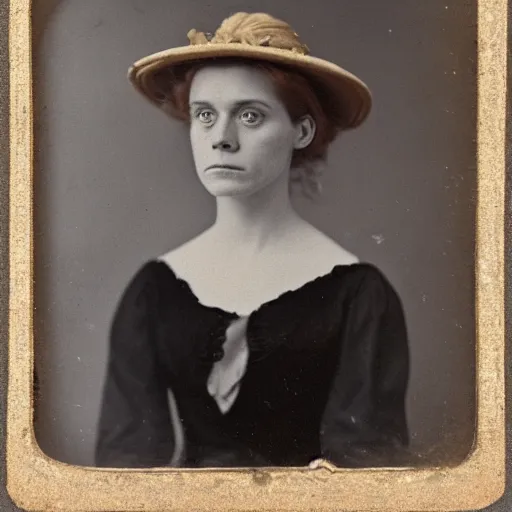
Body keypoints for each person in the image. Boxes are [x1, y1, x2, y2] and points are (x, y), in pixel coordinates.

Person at [95, 12, 410, 469]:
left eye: (249, 115)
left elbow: (371, 468)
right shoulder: (154, 289)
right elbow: (122, 468)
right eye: (205, 115)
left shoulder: (359, 295)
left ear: (301, 132)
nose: (221, 139)